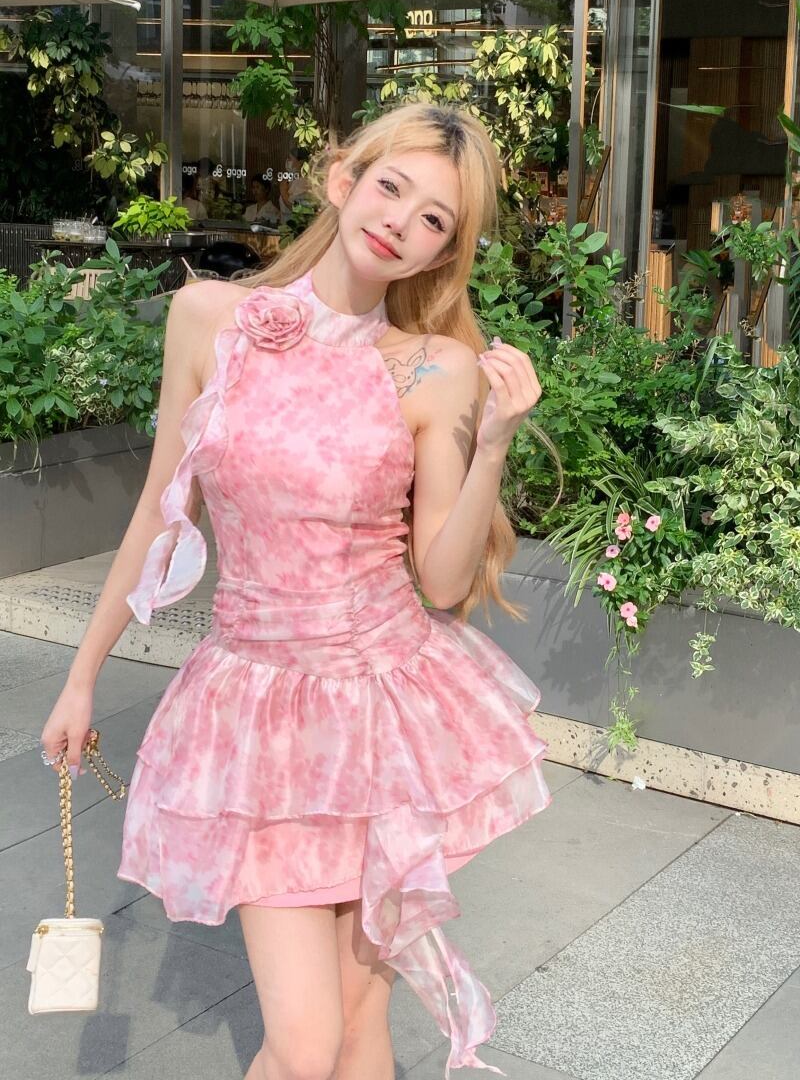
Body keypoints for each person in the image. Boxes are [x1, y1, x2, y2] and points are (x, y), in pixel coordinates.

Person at [39, 104, 554, 1080]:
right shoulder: (209, 319)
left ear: (444, 252)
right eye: (390, 187)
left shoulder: (439, 370)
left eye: (433, 219)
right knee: (306, 1044)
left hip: (383, 714)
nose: (399, 221)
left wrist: (490, 446)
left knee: (360, 1030)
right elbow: (157, 512)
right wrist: (81, 676)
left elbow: (443, 583)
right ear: (341, 180)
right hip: (258, 721)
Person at [279, 144, 310, 220]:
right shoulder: (289, 181)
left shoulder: (303, 183)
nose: (287, 161)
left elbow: (301, 210)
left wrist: (283, 193)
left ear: (300, 162)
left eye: (290, 158)